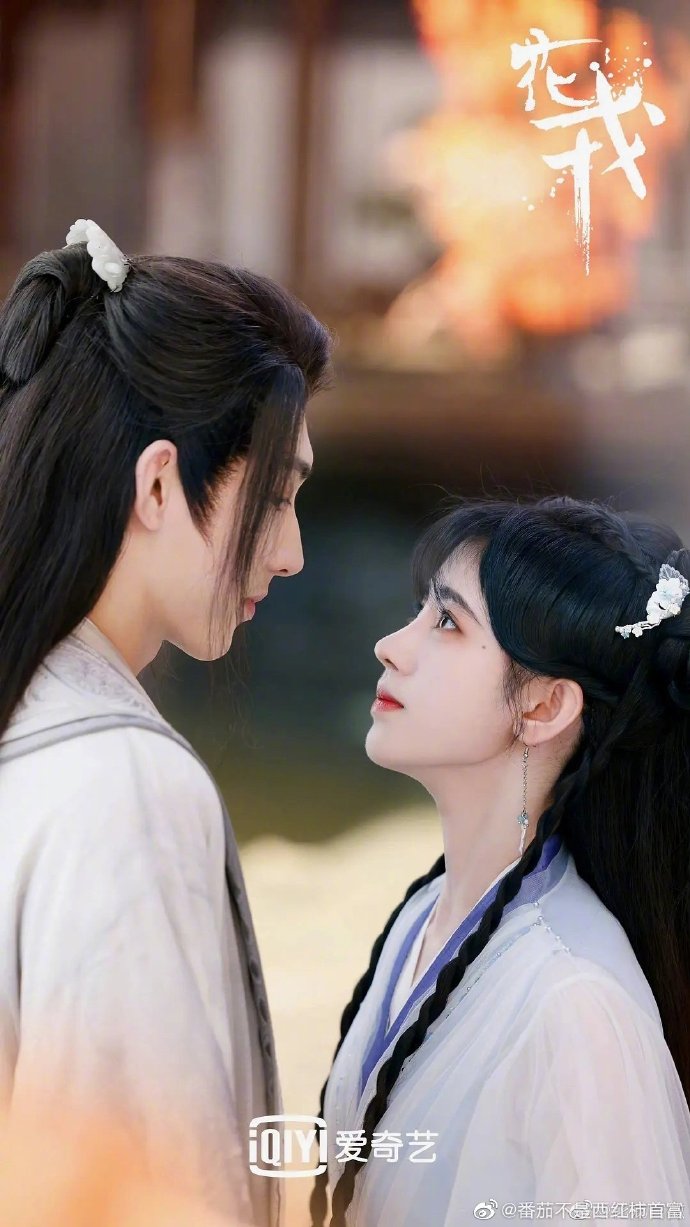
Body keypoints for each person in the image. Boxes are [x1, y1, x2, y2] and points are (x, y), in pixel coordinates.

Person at [0, 219, 332, 1227]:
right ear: (156, 485)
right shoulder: (123, 786)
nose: (292, 553)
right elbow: (134, 1195)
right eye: (275, 496)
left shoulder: (36, 732)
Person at [310, 495, 690, 1227]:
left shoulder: (576, 1008)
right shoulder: (424, 914)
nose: (391, 645)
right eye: (421, 610)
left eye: (448, 623)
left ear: (544, 707)